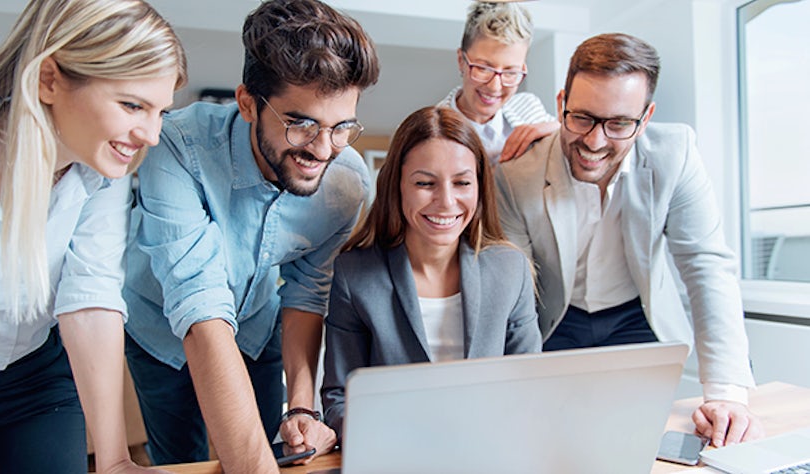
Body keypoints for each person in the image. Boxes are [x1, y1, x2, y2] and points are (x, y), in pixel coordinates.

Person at [121, 0, 380, 471]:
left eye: (341, 127)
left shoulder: (347, 181)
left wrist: (302, 405)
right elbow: (199, 304)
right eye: (301, 124)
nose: (322, 150)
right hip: (160, 329)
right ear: (246, 103)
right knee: (184, 459)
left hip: (257, 329)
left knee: (272, 447)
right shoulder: (176, 147)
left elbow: (307, 290)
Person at [495, 33, 763, 448]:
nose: (595, 142)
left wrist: (728, 394)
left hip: (637, 318)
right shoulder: (516, 174)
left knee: (640, 443)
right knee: (548, 440)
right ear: (562, 100)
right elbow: (515, 291)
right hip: (551, 322)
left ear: (647, 115)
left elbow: (706, 266)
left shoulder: (676, 154)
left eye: (619, 123)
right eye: (581, 117)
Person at [0, 0, 186, 472]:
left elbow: (91, 298)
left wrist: (113, 460)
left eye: (161, 111)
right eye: (132, 105)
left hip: (32, 381)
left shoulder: (102, 171)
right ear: (49, 80)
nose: (150, 134)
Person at [321, 106, 542, 440]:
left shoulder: (510, 270)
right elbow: (339, 398)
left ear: (480, 187)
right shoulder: (356, 275)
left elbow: (531, 387)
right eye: (425, 183)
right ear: (397, 185)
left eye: (462, 182)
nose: (446, 201)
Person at [438, 1, 559, 164]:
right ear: (461, 60)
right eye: (483, 68)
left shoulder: (529, 109)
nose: (495, 86)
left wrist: (556, 129)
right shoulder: (429, 130)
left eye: (510, 72)